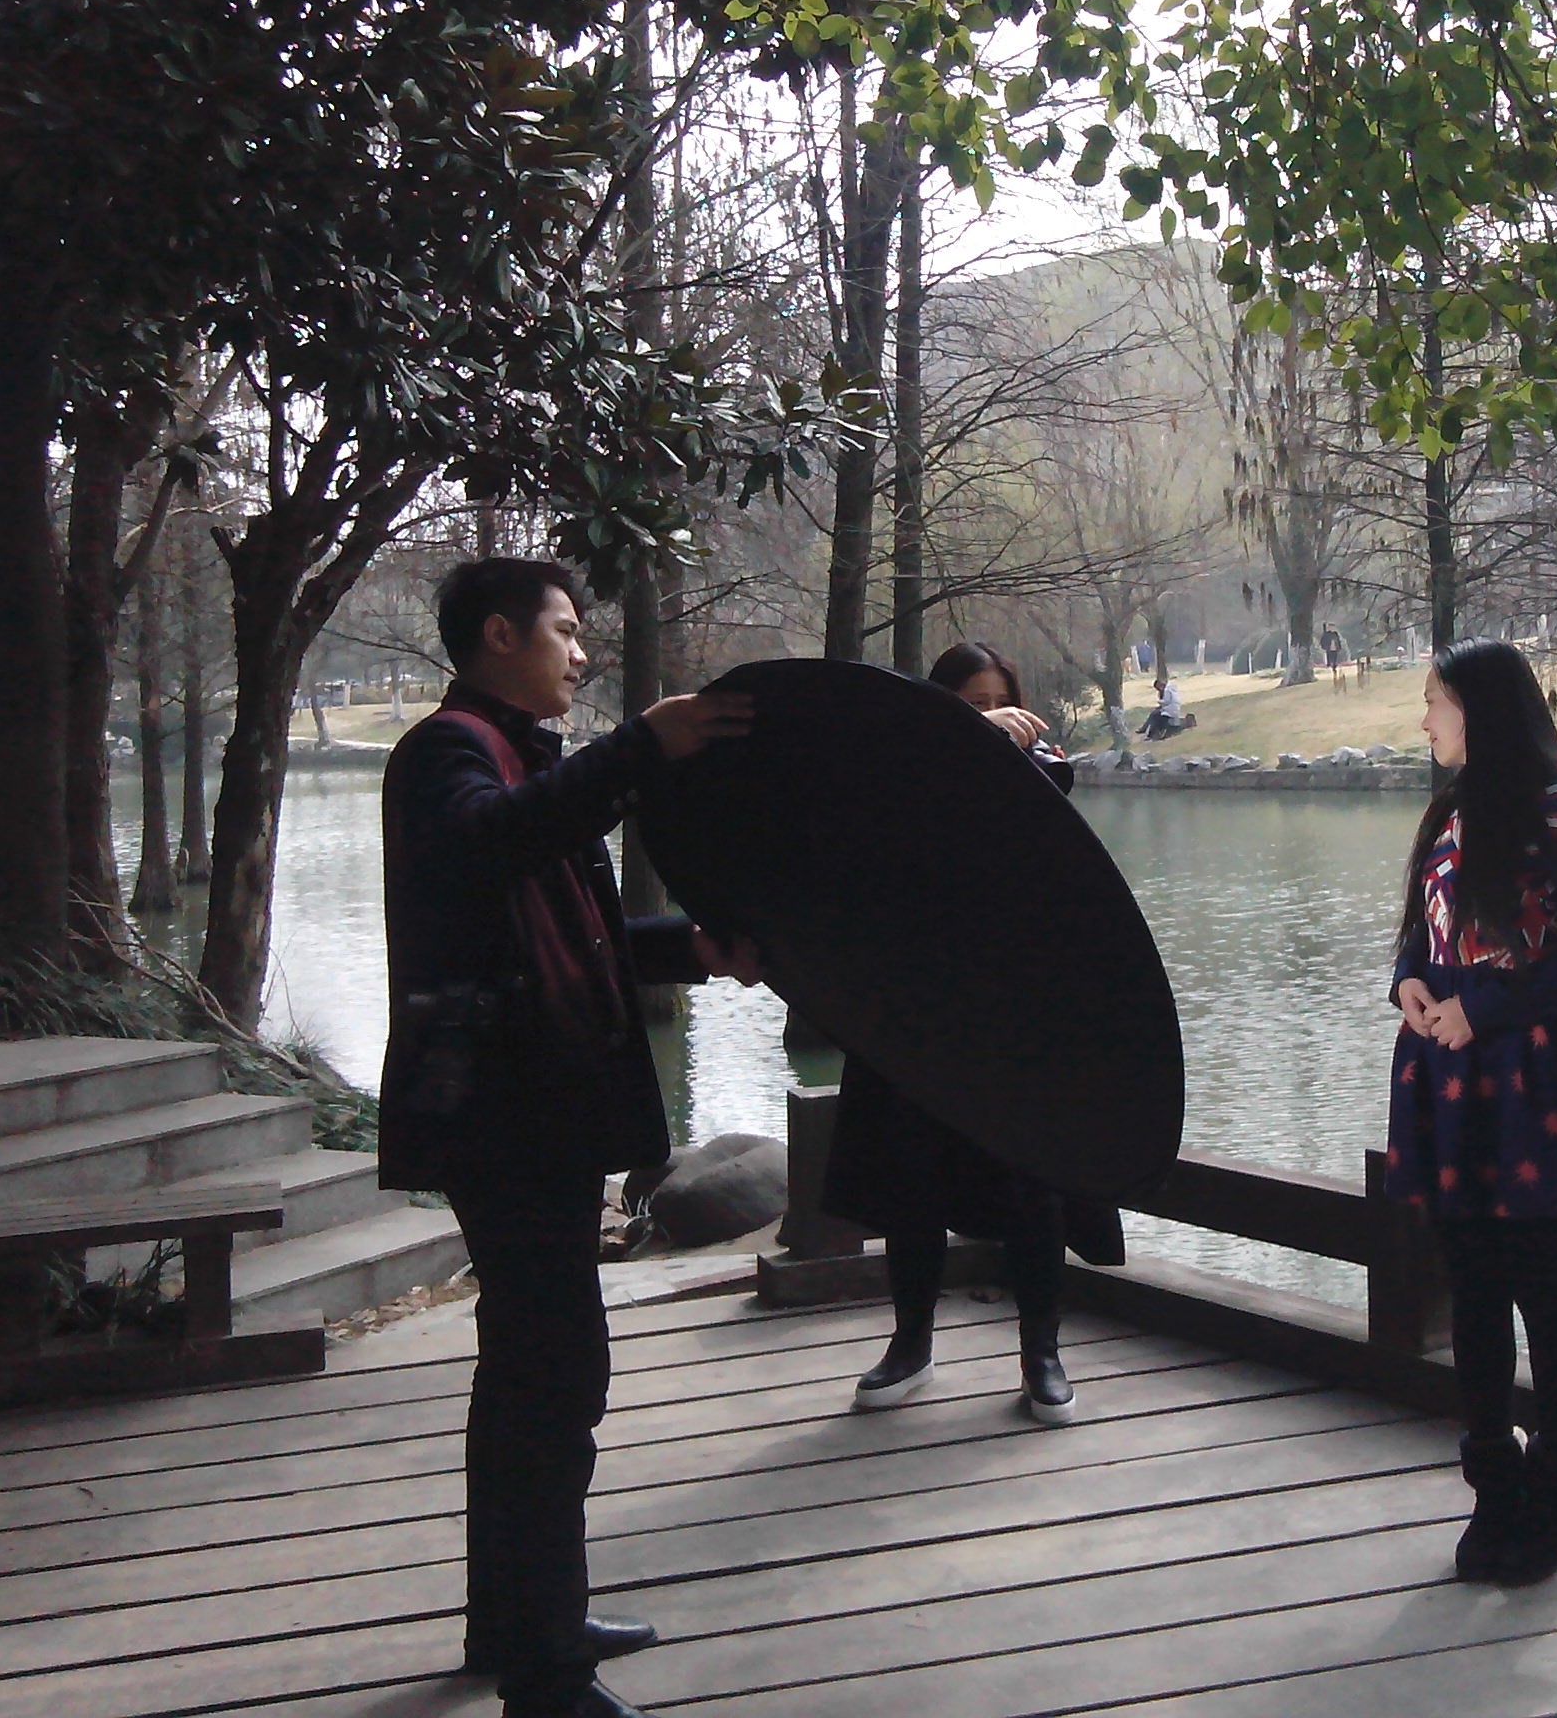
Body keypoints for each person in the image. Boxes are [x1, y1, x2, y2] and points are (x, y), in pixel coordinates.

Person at [379, 558, 757, 1718]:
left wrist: (691, 948)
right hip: (503, 1118)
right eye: (564, 630)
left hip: (527, 1115)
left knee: (526, 1376)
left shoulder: (517, 760)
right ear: (500, 637)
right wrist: (639, 748)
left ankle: (515, 1619)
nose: (582, 652)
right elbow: (490, 844)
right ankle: (547, 1678)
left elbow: (574, 930)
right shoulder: (446, 755)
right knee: (553, 1381)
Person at [822, 642, 1123, 1423]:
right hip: (917, 1016)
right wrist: (960, 740)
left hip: (1014, 1020)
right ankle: (910, 1344)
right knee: (911, 1182)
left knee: (1033, 1187)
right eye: (971, 705)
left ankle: (1041, 1353)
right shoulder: (902, 781)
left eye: (1000, 703)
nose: (993, 718)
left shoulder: (1037, 776)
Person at [1385, 636, 1557, 1588]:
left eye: (1436, 702)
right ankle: (1492, 1486)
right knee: (1473, 1289)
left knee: (1544, 1288)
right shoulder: (1448, 813)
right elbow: (1427, 930)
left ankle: (1556, 1487)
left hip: (1533, 1084)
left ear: (1480, 712)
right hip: (1447, 1080)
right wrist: (1409, 982)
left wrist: (1483, 1008)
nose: (1425, 720)